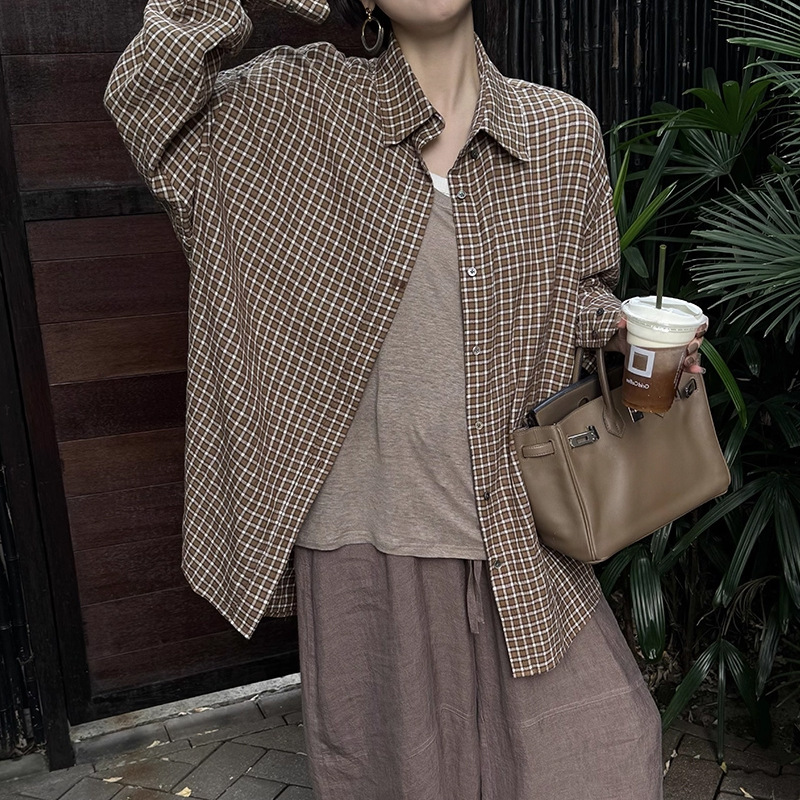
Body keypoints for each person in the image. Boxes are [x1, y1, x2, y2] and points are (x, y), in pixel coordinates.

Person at [105, 1, 704, 796]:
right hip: (363, 542)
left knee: (608, 753)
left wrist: (623, 333)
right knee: (403, 780)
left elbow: (578, 295)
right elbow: (150, 100)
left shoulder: (559, 131)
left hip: (517, 526)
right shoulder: (287, 106)